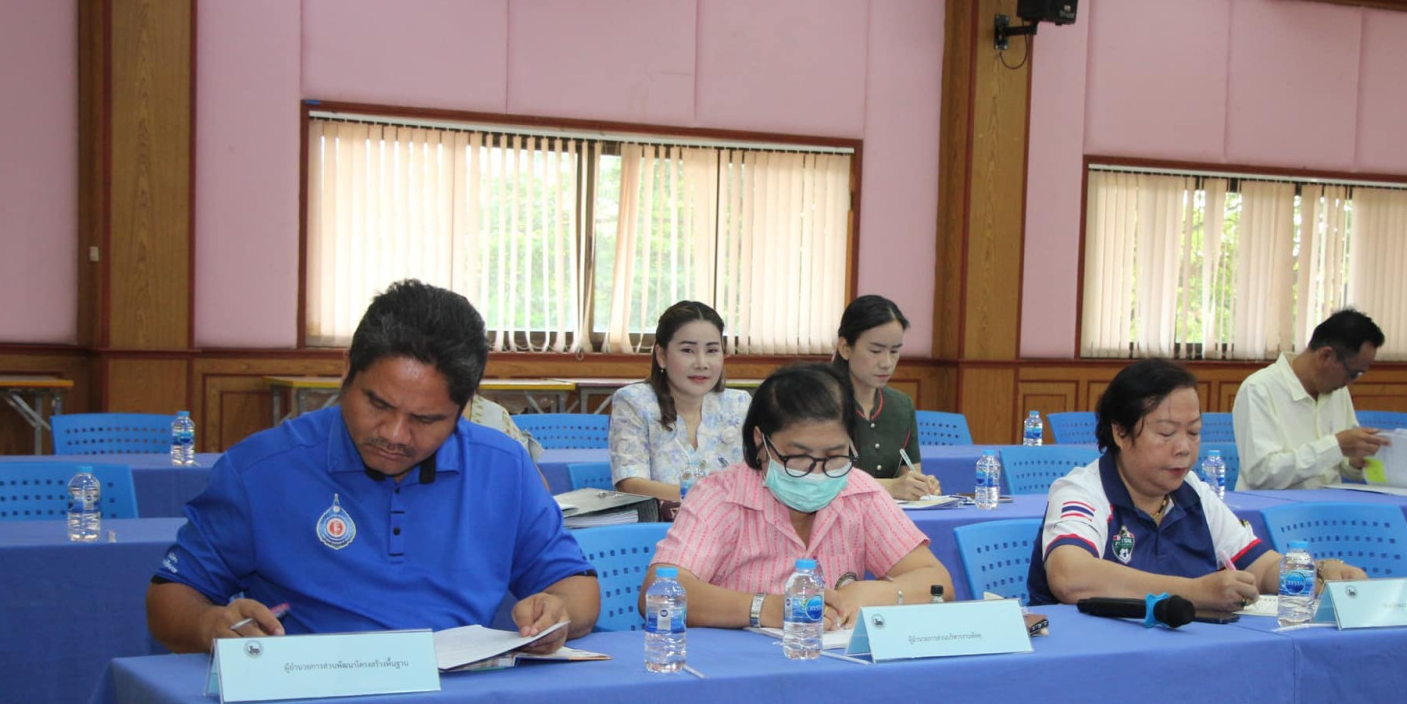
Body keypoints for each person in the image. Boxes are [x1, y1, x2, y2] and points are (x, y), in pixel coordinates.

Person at [146, 280, 599, 654]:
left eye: (426, 419)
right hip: (308, 703)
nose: (395, 435)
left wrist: (557, 612)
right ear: (346, 369)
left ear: (465, 406)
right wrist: (208, 625)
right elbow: (170, 596)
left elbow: (576, 588)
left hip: (458, 701)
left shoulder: (503, 467)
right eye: (378, 404)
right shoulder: (260, 470)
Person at [1028, 359, 1365, 610]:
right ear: (1120, 432)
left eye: (1193, 432)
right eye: (1166, 433)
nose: (1184, 448)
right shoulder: (1084, 491)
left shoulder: (1192, 492)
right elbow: (1070, 577)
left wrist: (1315, 574)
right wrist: (1194, 592)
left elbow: (1260, 568)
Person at [642, 363, 954, 630]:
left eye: (834, 456)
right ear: (761, 442)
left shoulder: (859, 492)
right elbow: (659, 593)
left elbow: (937, 581)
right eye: (799, 457)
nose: (817, 472)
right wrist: (764, 609)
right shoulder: (720, 497)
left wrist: (875, 594)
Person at [1232, 309, 1390, 490]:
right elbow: (1261, 474)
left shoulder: (1338, 390)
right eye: (1353, 373)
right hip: (1273, 504)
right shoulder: (1259, 389)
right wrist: (1336, 446)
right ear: (1325, 356)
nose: (1351, 382)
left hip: (1328, 503)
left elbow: (1342, 463)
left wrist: (1355, 461)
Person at [609, 301, 751, 502]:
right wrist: (708, 498)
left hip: (730, 520)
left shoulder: (739, 404)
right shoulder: (634, 402)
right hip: (660, 522)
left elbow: (759, 477)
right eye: (688, 350)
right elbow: (631, 484)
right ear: (662, 355)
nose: (701, 363)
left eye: (712, 350)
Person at [833, 295, 940, 500]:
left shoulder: (901, 405)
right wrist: (889, 487)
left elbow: (909, 473)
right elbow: (815, 480)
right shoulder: (818, 403)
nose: (887, 363)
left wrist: (920, 485)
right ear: (845, 348)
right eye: (876, 351)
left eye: (894, 351)